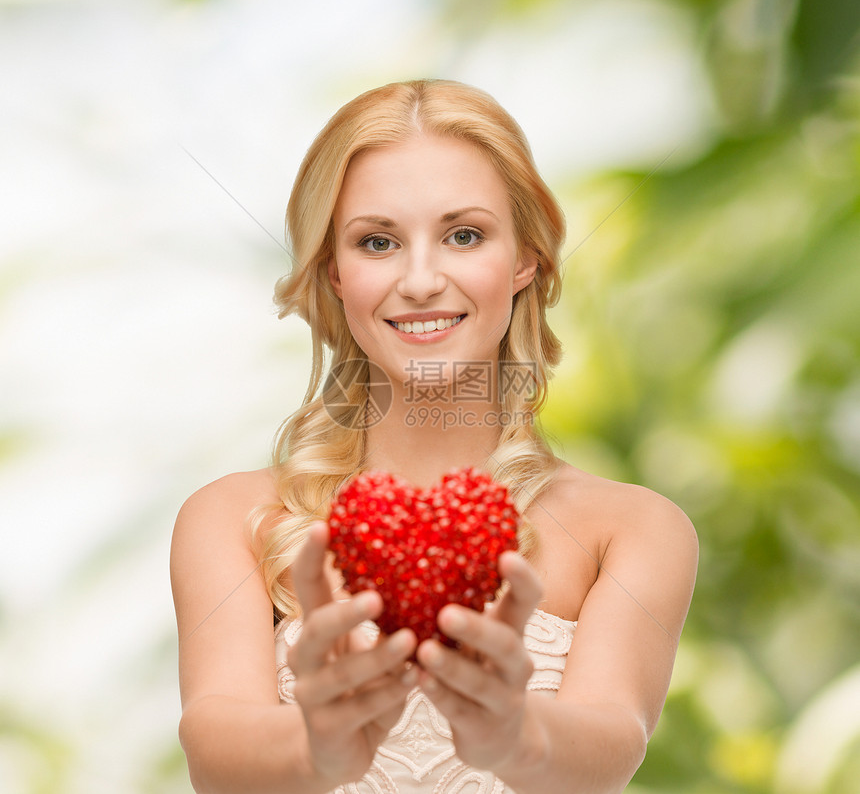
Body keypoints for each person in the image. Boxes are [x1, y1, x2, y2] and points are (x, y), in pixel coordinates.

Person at [170, 79, 698, 794]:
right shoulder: (233, 518)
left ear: (524, 260)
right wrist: (316, 748)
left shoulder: (634, 529)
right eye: (377, 242)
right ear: (334, 271)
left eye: (464, 235)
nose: (420, 281)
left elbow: (613, 742)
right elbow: (214, 743)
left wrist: (515, 735)